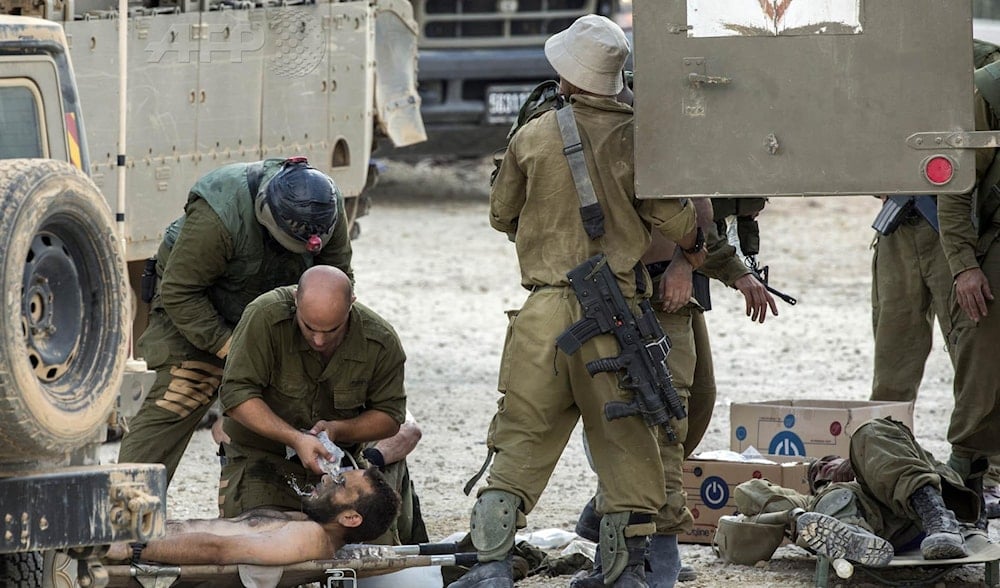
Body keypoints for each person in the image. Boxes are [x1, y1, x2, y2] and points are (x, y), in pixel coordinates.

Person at [454, 14, 705, 588]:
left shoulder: (532, 135)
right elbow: (682, 223)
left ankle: (491, 565)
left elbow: (500, 215)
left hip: (543, 313)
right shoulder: (640, 139)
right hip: (615, 315)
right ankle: (622, 571)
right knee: (628, 445)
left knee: (520, 438)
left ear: (565, 75)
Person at [571, 202, 779, 588]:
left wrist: (729, 271)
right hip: (629, 290)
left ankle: (616, 515)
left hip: (678, 285)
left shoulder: (685, 153)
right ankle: (645, 543)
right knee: (659, 418)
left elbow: (696, 215)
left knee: (698, 402)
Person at [118, 157, 353, 486]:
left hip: (275, 308)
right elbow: (180, 293)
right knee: (176, 399)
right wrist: (233, 350)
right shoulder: (219, 215)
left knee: (315, 397)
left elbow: (337, 283)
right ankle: (121, 523)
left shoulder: (326, 208)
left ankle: (287, 511)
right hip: (197, 312)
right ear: (265, 215)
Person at [869, 39, 1000, 518]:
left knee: (975, 353)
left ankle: (977, 473)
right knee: (895, 356)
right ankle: (883, 464)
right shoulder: (874, 61)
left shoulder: (975, 57)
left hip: (954, 226)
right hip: (901, 227)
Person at [217, 265, 427, 546]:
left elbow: (390, 417)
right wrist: (295, 438)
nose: (319, 339)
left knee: (374, 556)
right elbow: (235, 396)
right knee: (260, 545)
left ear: (351, 304)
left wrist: (338, 430)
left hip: (339, 469)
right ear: (295, 301)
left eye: (332, 330)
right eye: (309, 327)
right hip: (264, 458)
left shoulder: (380, 341)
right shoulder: (264, 317)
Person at [732, 418, 980, 567]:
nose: (823, 468)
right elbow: (747, 492)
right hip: (870, 528)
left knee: (870, 431)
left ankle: (939, 521)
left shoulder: (876, 458)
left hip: (914, 507)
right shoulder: (814, 499)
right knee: (830, 501)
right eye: (817, 470)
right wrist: (793, 515)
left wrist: (859, 462)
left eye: (829, 462)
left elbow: (889, 444)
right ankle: (854, 538)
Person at [938, 39, 1000, 526]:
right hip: (995, 252)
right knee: (982, 367)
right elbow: (956, 184)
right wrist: (962, 264)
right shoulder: (990, 90)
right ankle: (962, 489)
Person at [105, 468, 401, 566]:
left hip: (127, 549)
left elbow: (219, 550)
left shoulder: (310, 538)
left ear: (350, 518)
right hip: (128, 536)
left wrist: (133, 546)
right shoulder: (305, 523)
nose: (326, 477)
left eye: (339, 483)